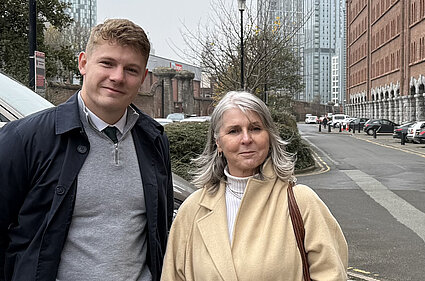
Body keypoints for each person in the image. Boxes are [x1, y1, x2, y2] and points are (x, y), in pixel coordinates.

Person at [0, 19, 174, 281]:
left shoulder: (153, 140)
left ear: (143, 78)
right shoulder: (25, 139)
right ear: (83, 63)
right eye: (107, 63)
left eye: (131, 69)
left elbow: (160, 233)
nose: (117, 77)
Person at [161, 91, 348, 281]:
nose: (246, 139)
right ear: (218, 142)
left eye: (255, 128)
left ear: (269, 136)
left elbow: (332, 274)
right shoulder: (192, 211)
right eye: (234, 131)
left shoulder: (302, 203)